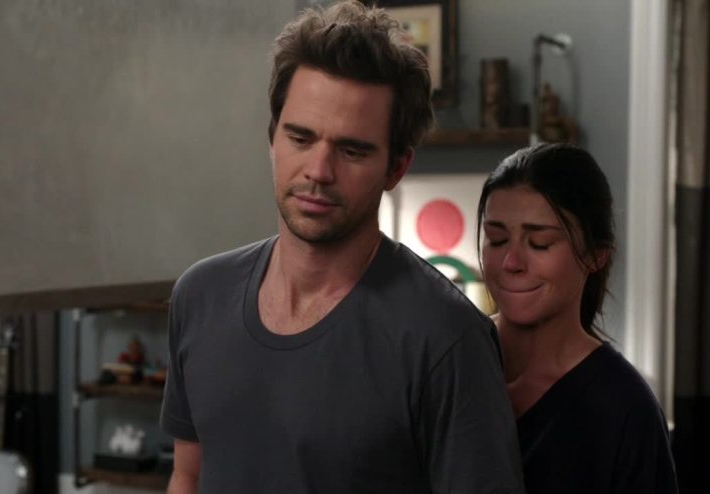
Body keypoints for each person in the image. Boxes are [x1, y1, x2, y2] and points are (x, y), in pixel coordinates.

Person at [160, 2, 523, 493]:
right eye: (300, 138)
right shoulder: (200, 296)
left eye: (352, 150)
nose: (319, 171)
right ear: (272, 138)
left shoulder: (445, 337)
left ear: (396, 167)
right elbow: (188, 474)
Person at [476, 143, 678, 493]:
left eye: (540, 243)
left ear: (596, 255)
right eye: (496, 239)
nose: (511, 262)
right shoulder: (447, 360)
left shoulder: (625, 408)